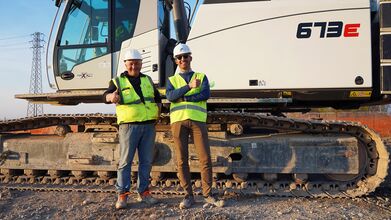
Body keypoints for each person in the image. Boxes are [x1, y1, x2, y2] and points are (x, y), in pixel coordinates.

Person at [166, 43, 224, 209]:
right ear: (176, 60)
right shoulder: (172, 80)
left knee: (204, 158)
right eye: (179, 57)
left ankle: (207, 194)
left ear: (190, 57)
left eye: (186, 56)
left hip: (198, 121)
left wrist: (184, 98)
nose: (183, 59)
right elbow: (170, 96)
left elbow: (205, 94)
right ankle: (188, 196)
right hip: (178, 122)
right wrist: (189, 87)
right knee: (181, 160)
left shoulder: (201, 76)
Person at [103, 49, 161, 209]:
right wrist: (111, 97)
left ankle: (144, 192)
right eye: (131, 63)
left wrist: (157, 113)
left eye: (137, 63)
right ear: (126, 64)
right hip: (129, 127)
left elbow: (157, 98)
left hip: (148, 126)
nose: (134, 66)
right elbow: (105, 95)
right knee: (125, 162)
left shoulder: (147, 79)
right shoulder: (117, 81)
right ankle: (122, 195)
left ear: (141, 64)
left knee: (146, 161)